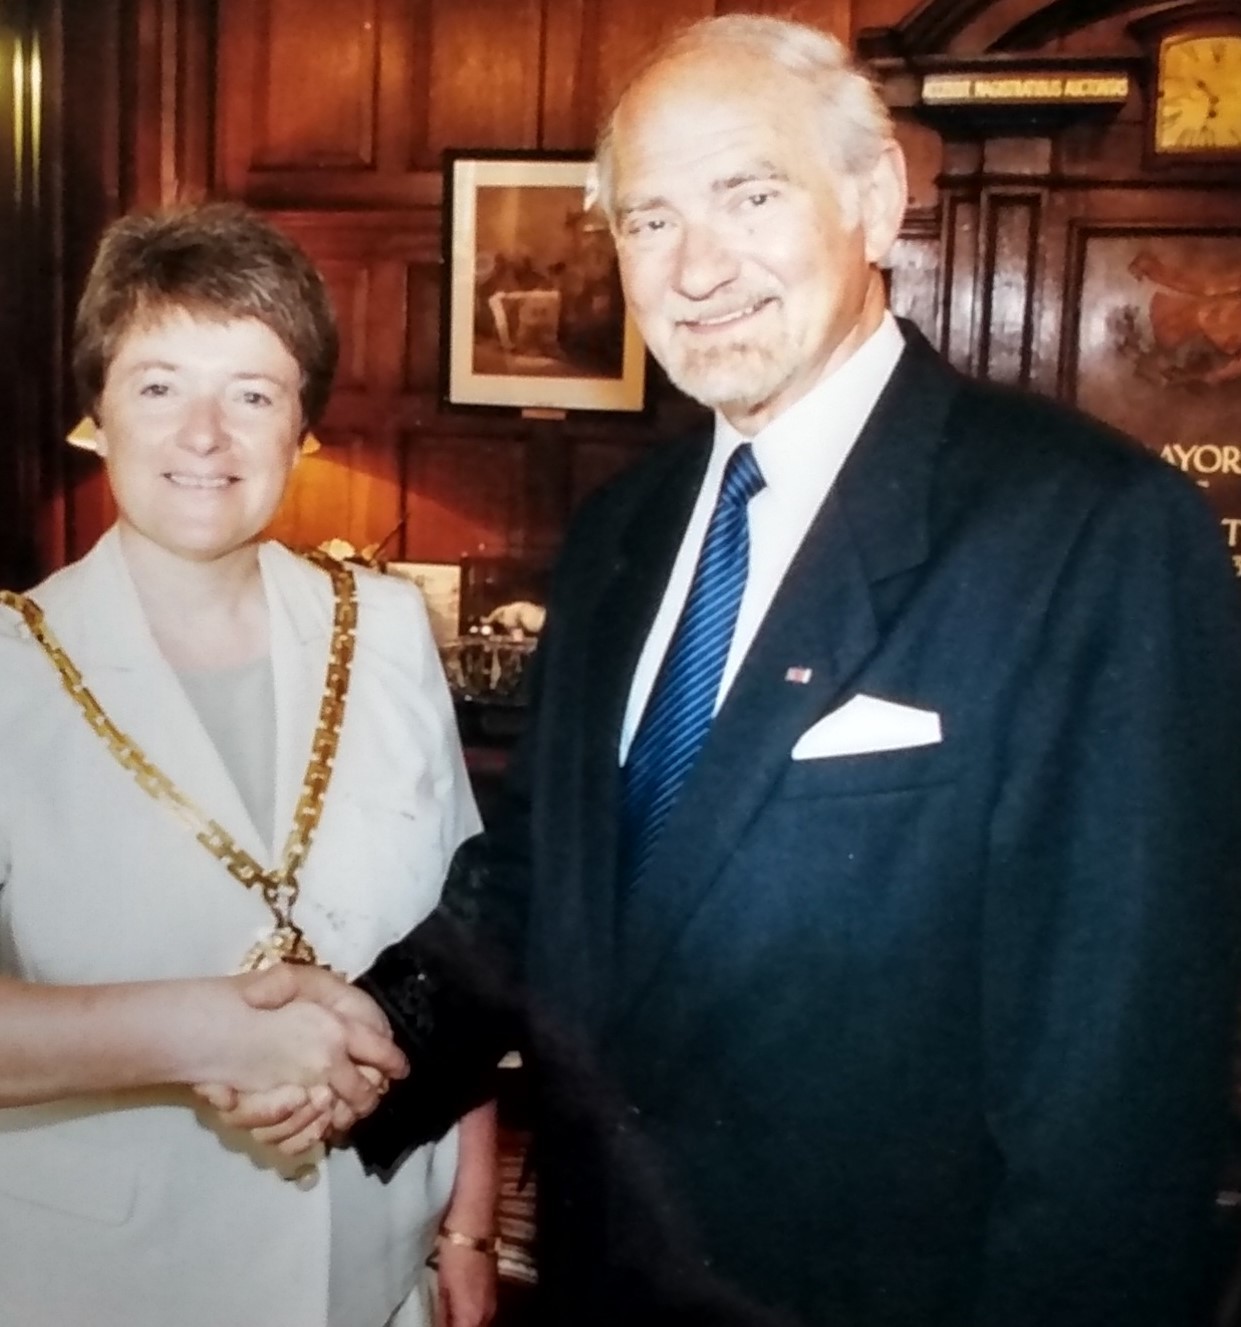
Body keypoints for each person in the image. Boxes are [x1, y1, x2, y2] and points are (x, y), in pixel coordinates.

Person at [224, 14, 1241, 1326]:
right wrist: (367, 1034)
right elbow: (549, 877)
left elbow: (1123, 1080)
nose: (696, 266)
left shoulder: (1087, 529)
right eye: (648, 221)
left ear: (875, 200)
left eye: (747, 196)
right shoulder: (620, 533)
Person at [0, 203, 497, 1327]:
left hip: (377, 1272)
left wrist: (465, 1216)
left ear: (302, 429)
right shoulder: (9, 667)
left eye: (254, 393)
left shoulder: (386, 629)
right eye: (160, 384)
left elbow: (468, 939)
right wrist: (205, 1026)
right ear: (97, 413)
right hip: (106, 1287)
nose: (206, 437)